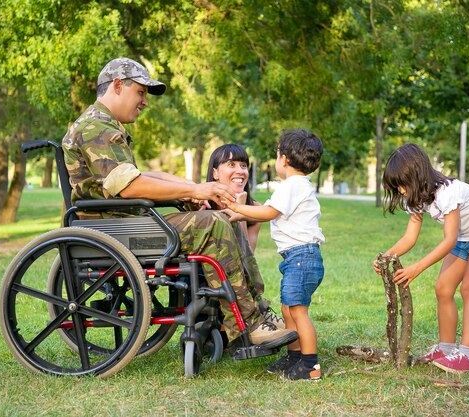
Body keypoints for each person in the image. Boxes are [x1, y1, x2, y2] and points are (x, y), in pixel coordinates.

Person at [61, 57, 296, 348]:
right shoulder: (97, 128)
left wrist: (197, 189)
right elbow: (130, 186)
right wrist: (198, 192)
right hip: (117, 231)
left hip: (124, 225)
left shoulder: (104, 125)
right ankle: (246, 324)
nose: (144, 102)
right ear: (118, 85)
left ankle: (255, 311)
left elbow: (143, 175)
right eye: (141, 92)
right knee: (212, 224)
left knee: (223, 216)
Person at [373, 143, 469, 374]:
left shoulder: (447, 192)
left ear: (416, 176)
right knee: (443, 288)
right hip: (465, 237)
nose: (402, 191)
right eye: (397, 187)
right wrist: (386, 257)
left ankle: (468, 356)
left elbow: (449, 241)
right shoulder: (415, 198)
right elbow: (409, 238)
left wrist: (417, 267)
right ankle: (446, 349)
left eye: (402, 185)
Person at [221, 129, 325, 381]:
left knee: (298, 311)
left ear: (284, 159)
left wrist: (234, 206)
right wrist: (242, 214)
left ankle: (310, 365)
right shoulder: (297, 186)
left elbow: (268, 213)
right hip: (298, 259)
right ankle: (294, 356)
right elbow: (267, 211)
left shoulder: (292, 185)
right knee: (288, 309)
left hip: (302, 257)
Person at [206, 144, 285, 329]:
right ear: (215, 173)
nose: (240, 171)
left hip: (238, 272)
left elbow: (247, 256)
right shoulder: (204, 204)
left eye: (243, 165)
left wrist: (239, 209)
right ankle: (257, 312)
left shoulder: (256, 209)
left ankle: (259, 311)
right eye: (231, 165)